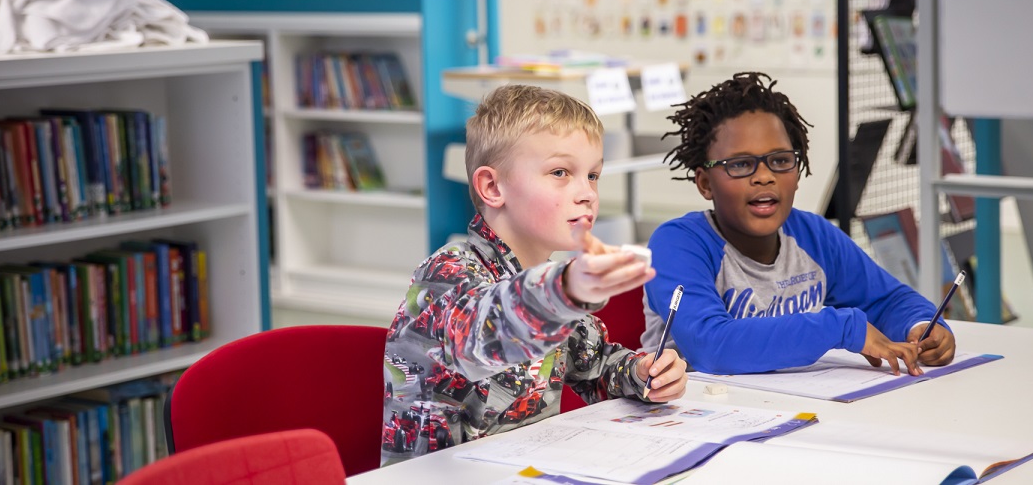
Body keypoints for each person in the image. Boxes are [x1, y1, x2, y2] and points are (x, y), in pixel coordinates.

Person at [381, 84, 688, 466]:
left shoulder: (544, 276)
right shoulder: (446, 275)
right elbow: (485, 333)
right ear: (493, 187)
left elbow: (596, 368)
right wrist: (565, 289)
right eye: (560, 172)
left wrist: (643, 373)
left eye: (593, 175)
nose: (588, 193)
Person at [640, 71, 956, 377]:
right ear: (705, 183)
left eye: (780, 160)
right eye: (741, 164)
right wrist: (840, 328)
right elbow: (710, 346)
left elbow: (886, 300)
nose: (764, 176)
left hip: (791, 405)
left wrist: (922, 326)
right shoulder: (676, 245)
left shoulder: (813, 236)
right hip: (694, 409)